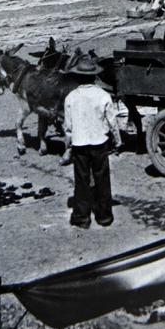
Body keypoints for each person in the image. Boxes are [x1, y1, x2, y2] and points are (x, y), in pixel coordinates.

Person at [64, 56, 122, 228]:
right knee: (102, 179)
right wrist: (118, 140)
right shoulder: (103, 95)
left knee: (81, 180)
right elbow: (112, 121)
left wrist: (68, 146)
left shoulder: (71, 97)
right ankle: (104, 216)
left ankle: (82, 217)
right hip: (99, 143)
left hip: (80, 145)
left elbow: (68, 127)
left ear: (78, 77)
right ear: (94, 76)